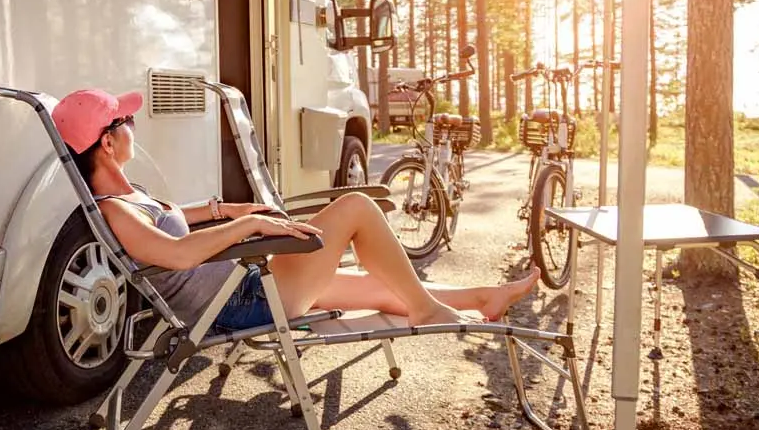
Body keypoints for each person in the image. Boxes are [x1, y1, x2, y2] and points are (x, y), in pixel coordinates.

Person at [51, 88, 540, 334]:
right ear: (109, 142)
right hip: (241, 302)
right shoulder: (115, 211)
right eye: (126, 119)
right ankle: (428, 309)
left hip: (247, 285)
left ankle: (481, 299)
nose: (135, 124)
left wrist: (232, 206)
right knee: (355, 207)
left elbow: (179, 216)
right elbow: (177, 253)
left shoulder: (131, 197)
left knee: (379, 287)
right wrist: (250, 224)